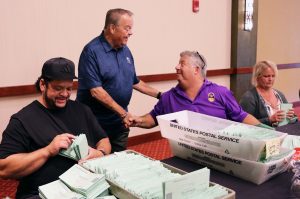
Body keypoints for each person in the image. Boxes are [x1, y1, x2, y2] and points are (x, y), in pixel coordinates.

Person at [0, 57, 111, 199]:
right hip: (42, 194)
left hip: (86, 188)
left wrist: (100, 153)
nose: (65, 94)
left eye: (69, 88)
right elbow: (4, 169)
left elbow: (104, 139)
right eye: (58, 88)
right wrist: (48, 151)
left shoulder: (82, 110)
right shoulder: (22, 120)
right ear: (42, 84)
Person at [76, 8, 161, 152]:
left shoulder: (126, 51)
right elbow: (96, 91)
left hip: (119, 125)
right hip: (94, 125)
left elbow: (135, 82)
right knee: (95, 168)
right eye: (127, 28)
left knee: (118, 165)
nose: (131, 32)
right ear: (112, 28)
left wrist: (161, 95)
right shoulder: (91, 51)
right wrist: (123, 113)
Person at [130, 51, 260, 128]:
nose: (176, 67)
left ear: (196, 69)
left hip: (219, 155)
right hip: (184, 156)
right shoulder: (168, 97)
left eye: (182, 63)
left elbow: (241, 116)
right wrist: (138, 120)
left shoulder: (220, 92)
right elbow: (153, 118)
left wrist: (266, 132)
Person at [240, 60, 297, 127]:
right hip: (262, 135)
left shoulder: (279, 94)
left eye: (273, 76)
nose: (270, 79)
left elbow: (293, 120)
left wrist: (292, 116)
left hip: (283, 132)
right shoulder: (249, 97)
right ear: (257, 77)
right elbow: (244, 123)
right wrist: (270, 120)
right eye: (266, 76)